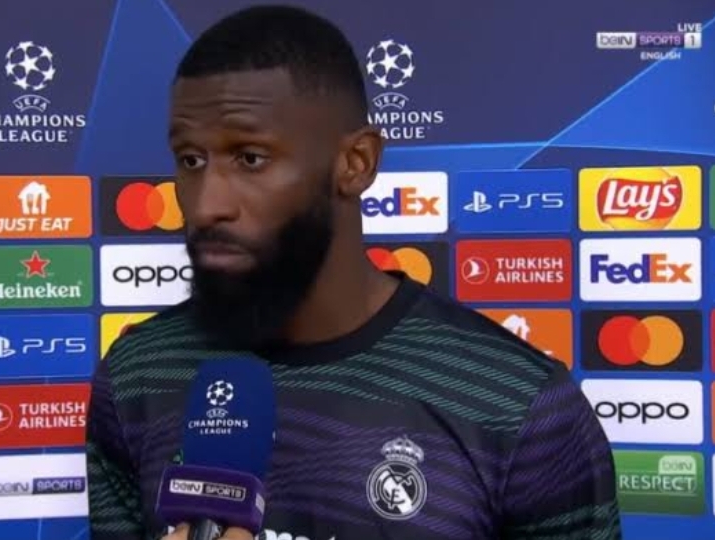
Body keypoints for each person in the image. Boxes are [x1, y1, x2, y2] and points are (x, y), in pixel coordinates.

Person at [86, 5, 622, 540]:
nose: (207, 206)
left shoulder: (517, 404)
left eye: (250, 158)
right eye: (190, 160)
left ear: (356, 163)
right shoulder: (138, 375)